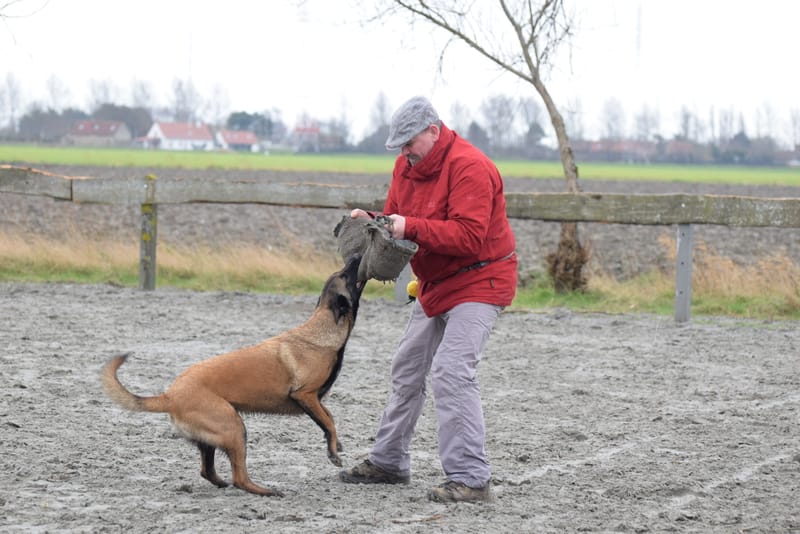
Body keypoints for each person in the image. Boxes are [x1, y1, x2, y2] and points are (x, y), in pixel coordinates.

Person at [338, 96, 518, 503]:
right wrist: (373, 223)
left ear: (434, 131)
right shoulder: (406, 166)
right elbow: (395, 221)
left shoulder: (472, 167)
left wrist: (410, 227)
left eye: (409, 141)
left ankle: (472, 478)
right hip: (435, 282)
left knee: (452, 372)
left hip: (481, 279)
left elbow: (470, 236)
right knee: (407, 368)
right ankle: (389, 462)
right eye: (398, 144)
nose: (403, 152)